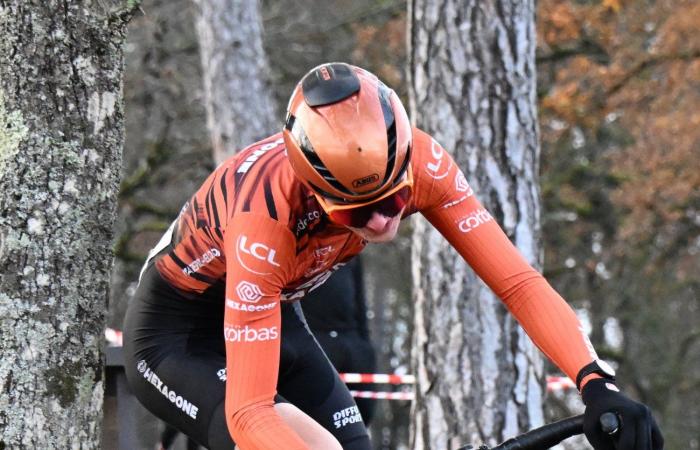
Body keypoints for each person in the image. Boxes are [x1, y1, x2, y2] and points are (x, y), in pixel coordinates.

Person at [123, 62, 663, 450]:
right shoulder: (264, 220)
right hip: (180, 336)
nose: (383, 221)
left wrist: (596, 384)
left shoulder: (424, 161)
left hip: (276, 315)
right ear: (316, 192)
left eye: (395, 201)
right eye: (358, 213)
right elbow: (248, 412)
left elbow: (518, 282)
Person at [300, 258, 377, 426]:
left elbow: (360, 301)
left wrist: (364, 345)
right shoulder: (303, 246)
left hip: (351, 341)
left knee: (363, 414)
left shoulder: (351, 249)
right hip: (314, 340)